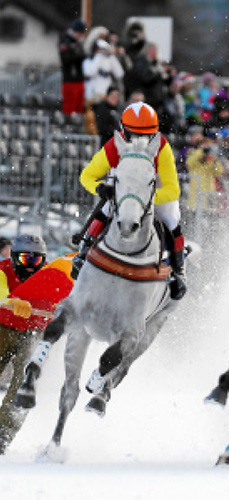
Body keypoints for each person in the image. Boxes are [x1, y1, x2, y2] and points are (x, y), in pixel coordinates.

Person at [71, 101, 187, 300]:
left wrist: (146, 200)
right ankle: (82, 253)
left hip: (154, 191)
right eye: (135, 135)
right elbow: (87, 176)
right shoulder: (114, 146)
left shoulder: (161, 147)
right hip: (123, 189)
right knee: (107, 209)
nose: (140, 140)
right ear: (124, 132)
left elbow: (173, 190)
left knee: (171, 219)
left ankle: (178, 272)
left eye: (146, 135)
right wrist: (100, 188)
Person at [0, 235, 75, 453]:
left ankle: (3, 434)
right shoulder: (3, 270)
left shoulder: (50, 276)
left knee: (24, 382)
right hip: (3, 327)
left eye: (37, 261)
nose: (31, 267)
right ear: (14, 259)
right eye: (25, 259)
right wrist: (10, 300)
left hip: (32, 334)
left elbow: (67, 299)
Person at [58, 19, 88, 115]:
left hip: (79, 79)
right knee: (70, 108)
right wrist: (79, 56)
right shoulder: (65, 40)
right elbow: (66, 59)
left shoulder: (77, 43)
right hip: (70, 79)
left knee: (79, 108)